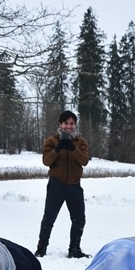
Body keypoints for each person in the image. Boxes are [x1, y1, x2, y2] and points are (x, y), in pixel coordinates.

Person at [35, 110, 91, 259]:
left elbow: (84, 161)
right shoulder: (51, 141)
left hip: (74, 185)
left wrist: (73, 149)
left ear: (75, 125)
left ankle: (74, 249)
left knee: (79, 219)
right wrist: (58, 148)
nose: (68, 126)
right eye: (66, 123)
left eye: (72, 123)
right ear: (60, 124)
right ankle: (41, 248)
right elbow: (47, 161)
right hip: (56, 185)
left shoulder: (81, 142)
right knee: (49, 218)